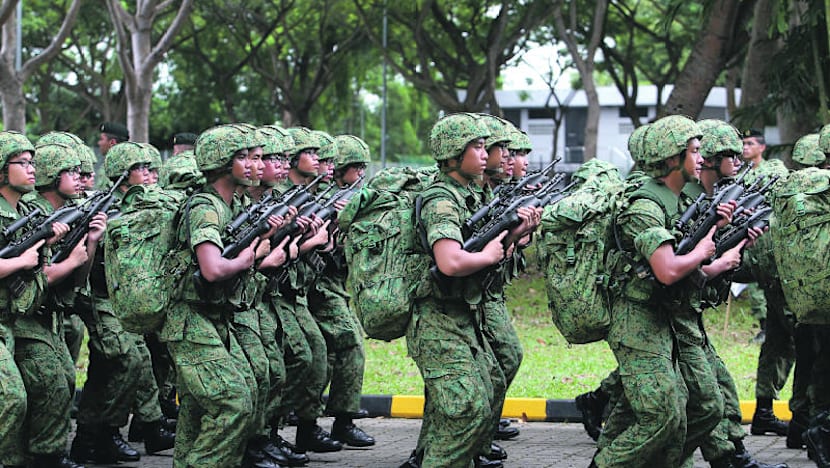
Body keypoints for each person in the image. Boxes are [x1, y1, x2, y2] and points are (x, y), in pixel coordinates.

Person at [592, 115, 739, 467]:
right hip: (638, 319)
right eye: (694, 151)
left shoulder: (675, 200)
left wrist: (715, 247)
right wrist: (705, 251)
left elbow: (685, 262)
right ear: (673, 158)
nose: (701, 158)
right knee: (662, 415)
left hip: (669, 316)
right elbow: (668, 269)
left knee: (706, 405)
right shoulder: (645, 206)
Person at [407, 113, 535, 468]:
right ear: (453, 152)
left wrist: (512, 236)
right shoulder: (442, 199)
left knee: (487, 390)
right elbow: (449, 261)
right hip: (437, 318)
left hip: (463, 314)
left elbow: (479, 248)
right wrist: (490, 254)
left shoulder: (469, 195)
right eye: (476, 147)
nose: (487, 154)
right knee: (466, 407)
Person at [159, 124, 289, 467]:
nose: (254, 165)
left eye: (255, 157)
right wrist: (248, 258)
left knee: (199, 409)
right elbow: (212, 268)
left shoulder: (233, 203)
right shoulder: (206, 206)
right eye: (243, 157)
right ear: (220, 162)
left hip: (215, 316)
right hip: (189, 318)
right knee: (234, 401)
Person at [70, 142, 175, 464]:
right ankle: (102, 432)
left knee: (112, 365)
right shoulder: (107, 209)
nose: (151, 175)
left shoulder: (146, 206)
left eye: (153, 168)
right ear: (122, 175)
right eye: (143, 169)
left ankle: (97, 435)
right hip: (97, 297)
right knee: (127, 359)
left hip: (123, 301)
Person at [15, 140, 103, 468]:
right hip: (25, 312)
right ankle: (41, 455)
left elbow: (77, 280)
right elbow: (36, 271)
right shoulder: (35, 213)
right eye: (72, 172)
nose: (80, 178)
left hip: (50, 310)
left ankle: (49, 453)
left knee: (64, 378)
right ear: (54, 175)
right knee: (47, 382)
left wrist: (90, 242)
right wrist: (66, 262)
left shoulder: (66, 211)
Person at [0, 131, 72, 468]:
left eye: (33, 163)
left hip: (15, 318)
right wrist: (20, 261)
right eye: (23, 163)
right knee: (11, 397)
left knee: (56, 381)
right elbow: (23, 265)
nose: (32, 170)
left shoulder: (28, 211)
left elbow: (43, 273)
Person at [308, 134, 376, 448]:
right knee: (347, 345)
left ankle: (317, 424)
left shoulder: (348, 197)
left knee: (330, 353)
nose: (360, 173)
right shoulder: (321, 198)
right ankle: (338, 422)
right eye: (355, 167)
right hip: (317, 286)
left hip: (332, 284)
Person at [740, 127, 795, 439]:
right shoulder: (773, 177)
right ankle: (808, 419)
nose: (745, 148)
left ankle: (764, 412)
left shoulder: (767, 174)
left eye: (750, 143)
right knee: (806, 342)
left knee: (778, 341)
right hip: (776, 270)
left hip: (770, 271)